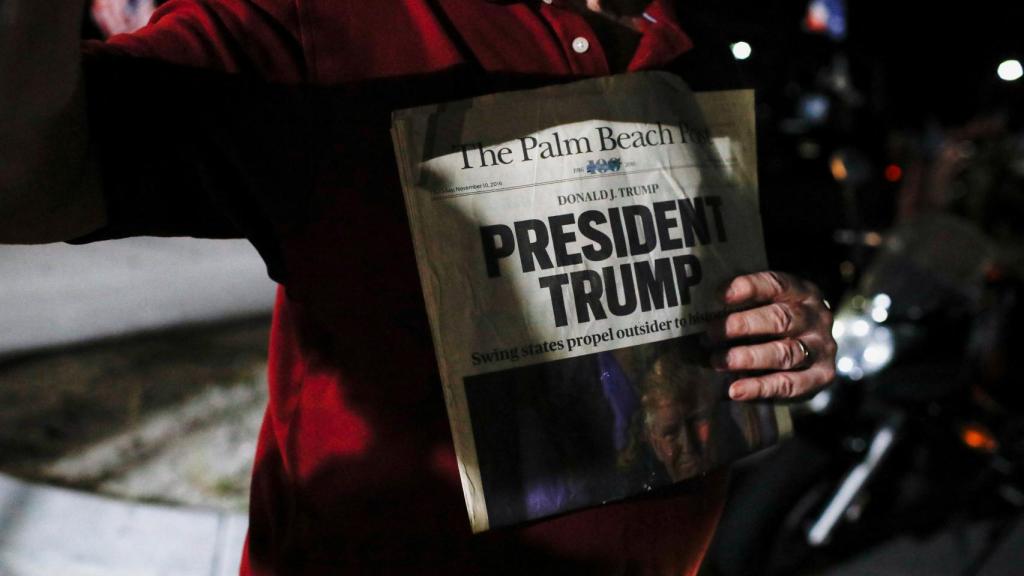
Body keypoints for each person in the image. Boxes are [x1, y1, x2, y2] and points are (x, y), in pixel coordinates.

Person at [1, 0, 837, 574]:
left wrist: (788, 325)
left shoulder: (691, 40)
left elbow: (744, 288)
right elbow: (28, 179)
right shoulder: (326, 25)